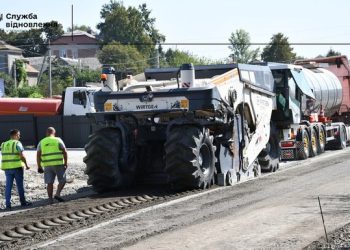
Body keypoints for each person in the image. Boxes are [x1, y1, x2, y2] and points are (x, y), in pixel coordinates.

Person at [1, 129, 32, 210]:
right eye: (18, 135)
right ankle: (23, 202)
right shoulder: (17, 143)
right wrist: (26, 165)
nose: (19, 136)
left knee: (8, 186)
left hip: (7, 168)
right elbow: (21, 156)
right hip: (17, 167)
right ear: (15, 135)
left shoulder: (3, 144)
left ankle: (8, 204)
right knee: (20, 185)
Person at [37, 127, 68, 204]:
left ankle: (50, 199)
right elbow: (65, 152)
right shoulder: (58, 140)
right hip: (58, 164)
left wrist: (39, 166)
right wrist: (66, 163)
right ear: (54, 133)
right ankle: (57, 194)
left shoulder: (42, 142)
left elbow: (38, 155)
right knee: (62, 180)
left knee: (49, 183)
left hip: (47, 165)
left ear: (46, 133)